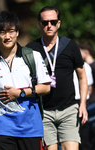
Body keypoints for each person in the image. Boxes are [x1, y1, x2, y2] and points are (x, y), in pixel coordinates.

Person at [0, 11, 51, 150]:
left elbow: (46, 87)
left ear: (17, 32)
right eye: (2, 32)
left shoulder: (33, 56)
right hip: (2, 127)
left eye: (11, 31)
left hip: (31, 127)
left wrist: (20, 93)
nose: (7, 36)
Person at [26, 6, 88, 150]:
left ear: (58, 23)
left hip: (68, 108)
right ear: (39, 24)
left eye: (53, 22)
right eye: (45, 22)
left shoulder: (71, 45)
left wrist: (83, 104)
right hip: (43, 111)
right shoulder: (30, 49)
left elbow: (82, 77)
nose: (49, 25)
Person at [73, 62, 93, 150]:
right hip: (82, 100)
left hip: (77, 100)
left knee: (81, 134)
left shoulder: (85, 66)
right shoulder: (86, 65)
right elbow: (90, 88)